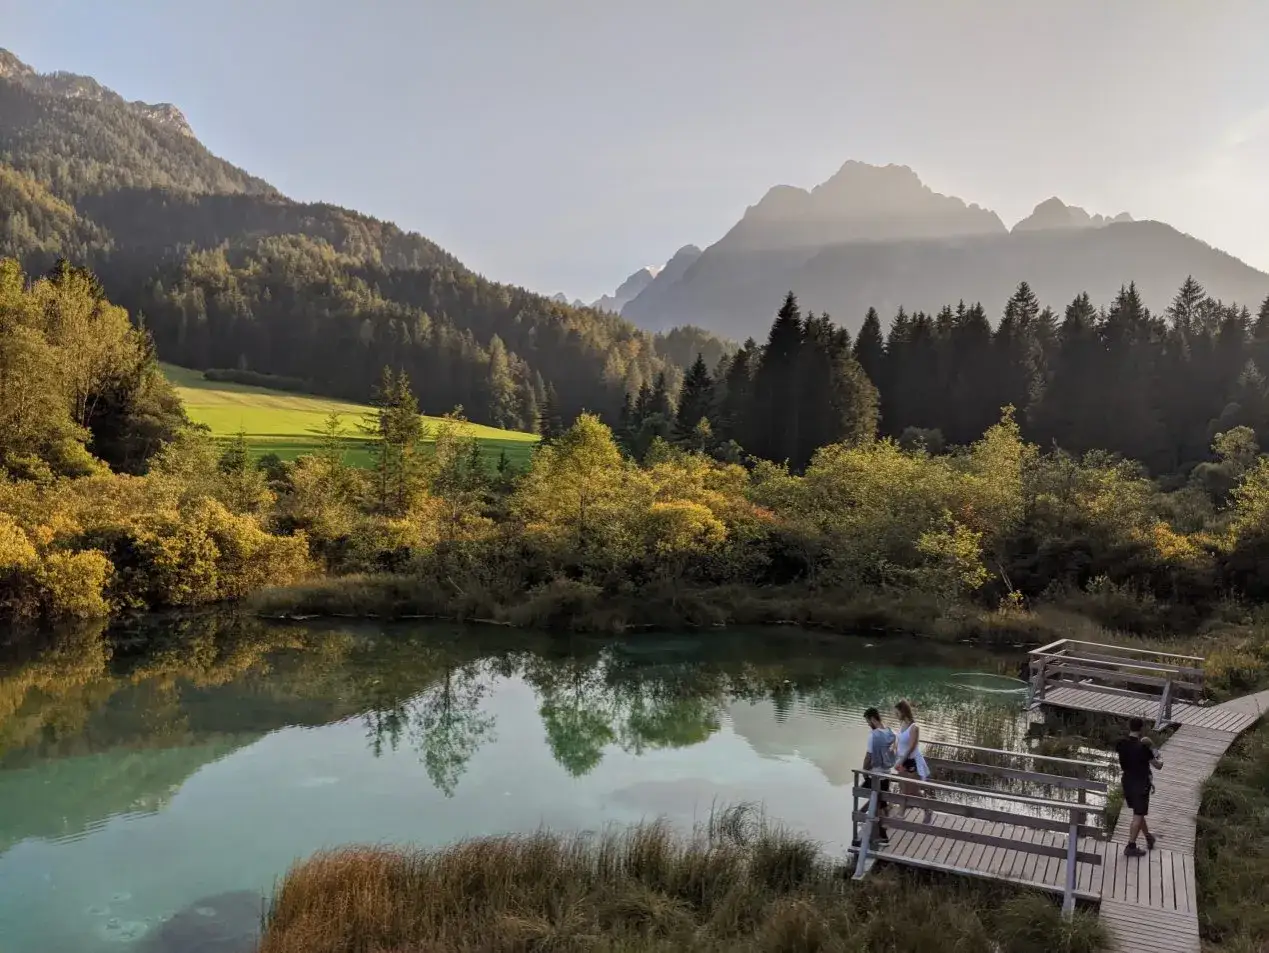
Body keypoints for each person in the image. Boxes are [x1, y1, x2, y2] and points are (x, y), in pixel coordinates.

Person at [1116, 716, 1162, 857]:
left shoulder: (1121, 744)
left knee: (1138, 812)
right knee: (1138, 814)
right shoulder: (1143, 748)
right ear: (1141, 729)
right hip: (1141, 784)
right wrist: (1153, 747)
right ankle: (1131, 846)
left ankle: (1148, 837)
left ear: (1129, 727)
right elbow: (1158, 765)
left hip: (1127, 781)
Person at [892, 699, 934, 823]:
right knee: (902, 787)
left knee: (913, 790)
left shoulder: (914, 727)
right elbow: (900, 741)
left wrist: (900, 762)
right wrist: (894, 750)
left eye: (897, 713)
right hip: (901, 760)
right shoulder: (902, 725)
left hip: (911, 762)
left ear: (903, 712)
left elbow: (911, 747)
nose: (896, 715)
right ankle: (901, 812)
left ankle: (927, 810)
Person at [859, 706, 896, 844]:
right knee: (883, 801)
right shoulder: (889, 732)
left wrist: (864, 772)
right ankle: (887, 824)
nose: (868, 725)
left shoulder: (873, 736)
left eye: (868, 721)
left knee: (877, 804)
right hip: (887, 773)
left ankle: (882, 835)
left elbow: (869, 756)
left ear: (872, 719)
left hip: (877, 774)